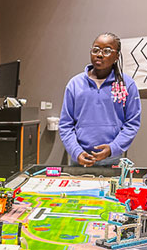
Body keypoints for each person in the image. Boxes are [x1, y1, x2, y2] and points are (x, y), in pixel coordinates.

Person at [59, 32, 141, 167]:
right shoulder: (75, 84)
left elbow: (132, 123)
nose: (99, 54)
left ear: (117, 56)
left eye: (107, 51)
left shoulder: (127, 85)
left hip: (113, 159)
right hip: (79, 158)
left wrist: (113, 148)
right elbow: (65, 125)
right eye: (95, 50)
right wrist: (76, 151)